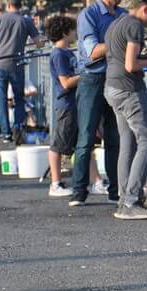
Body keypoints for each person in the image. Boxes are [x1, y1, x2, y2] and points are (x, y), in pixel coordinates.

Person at [69, 0, 132, 207]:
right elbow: (92, 51)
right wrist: (118, 41)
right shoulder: (89, 15)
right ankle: (79, 190)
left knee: (115, 137)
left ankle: (115, 190)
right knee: (86, 136)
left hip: (117, 79)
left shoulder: (125, 15)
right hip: (92, 80)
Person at [103, 0, 147, 219]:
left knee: (128, 143)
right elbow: (132, 64)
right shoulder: (134, 26)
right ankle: (131, 202)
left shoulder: (117, 23)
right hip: (129, 90)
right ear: (145, 9)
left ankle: (125, 199)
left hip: (111, 87)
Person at [45, 14, 105, 197]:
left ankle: (96, 182)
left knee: (85, 143)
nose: (75, 33)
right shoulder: (58, 54)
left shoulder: (67, 53)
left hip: (77, 104)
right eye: (72, 30)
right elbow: (65, 82)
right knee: (58, 145)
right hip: (66, 106)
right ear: (65, 33)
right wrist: (87, 75)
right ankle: (55, 184)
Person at [0, 0, 38, 144]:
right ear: (20, 6)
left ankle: (6, 132)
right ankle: (18, 130)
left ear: (8, 5)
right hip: (16, 64)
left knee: (2, 99)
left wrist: (0, 42)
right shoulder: (26, 21)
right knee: (19, 99)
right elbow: (39, 43)